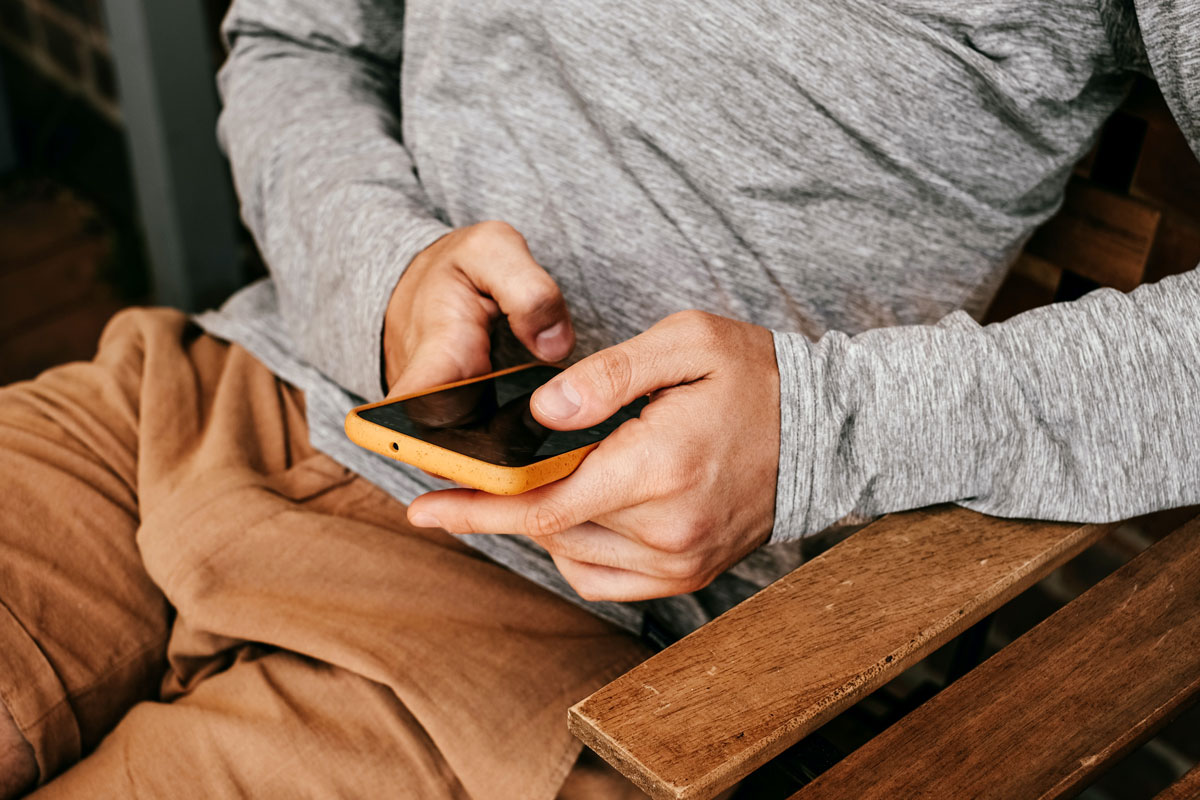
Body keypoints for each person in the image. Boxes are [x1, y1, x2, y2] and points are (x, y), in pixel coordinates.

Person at [2, 0, 1197, 796]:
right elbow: (294, 38)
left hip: (573, 632)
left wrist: (824, 427)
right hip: (196, 401)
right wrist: (389, 277)